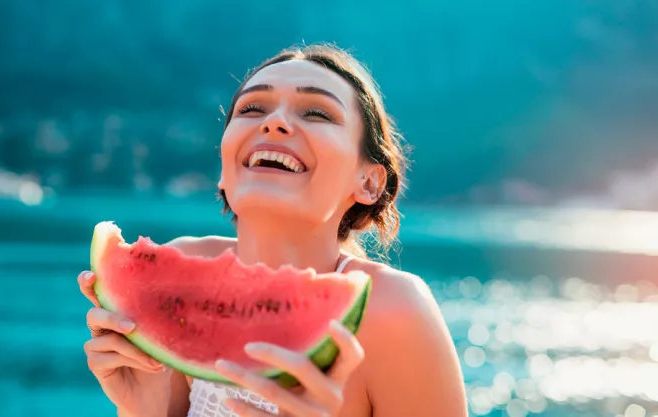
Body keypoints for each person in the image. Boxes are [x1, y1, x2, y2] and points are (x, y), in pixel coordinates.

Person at [79, 43, 468, 417]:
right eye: (251, 109)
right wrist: (138, 410)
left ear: (368, 182)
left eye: (316, 113)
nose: (274, 122)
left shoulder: (393, 310)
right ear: (225, 167)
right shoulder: (184, 277)